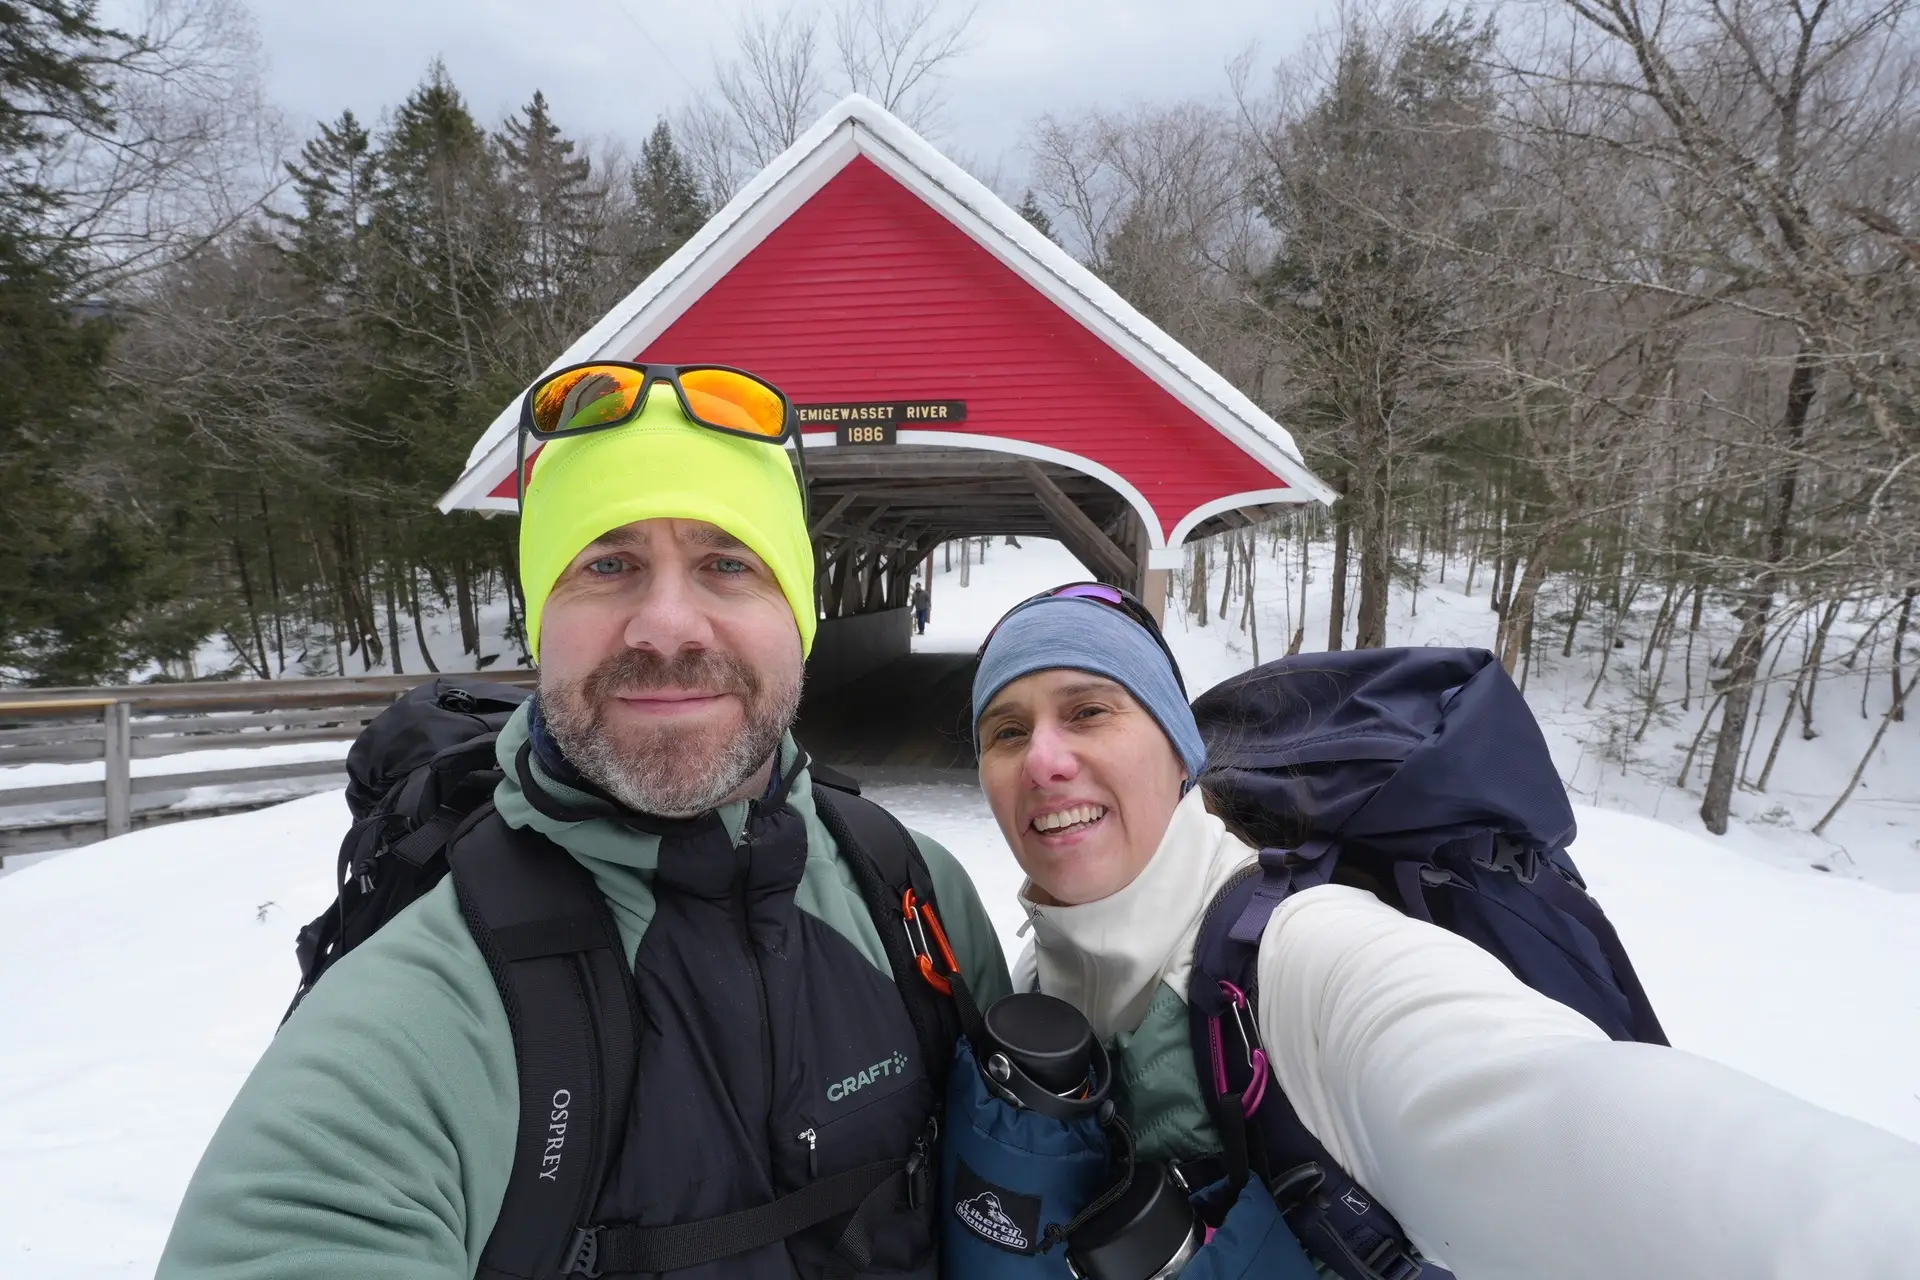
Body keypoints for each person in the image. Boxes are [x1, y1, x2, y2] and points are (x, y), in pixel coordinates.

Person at [159, 365, 1012, 1279]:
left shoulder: (914, 895)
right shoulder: (423, 1016)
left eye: (729, 564)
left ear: (798, 615)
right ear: (541, 619)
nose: (669, 627)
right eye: (609, 565)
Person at [969, 582, 1920, 1279]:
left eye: (1090, 711)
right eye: (1006, 732)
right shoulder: (1033, 979)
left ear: (1178, 750)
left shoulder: (1307, 956)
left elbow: (1574, 1114)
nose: (1046, 759)